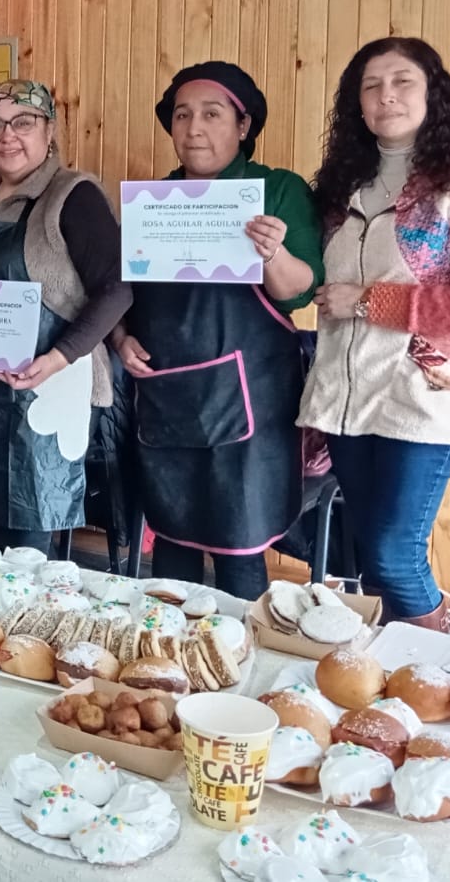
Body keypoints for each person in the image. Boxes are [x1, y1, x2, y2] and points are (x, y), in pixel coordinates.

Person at [299, 38, 450, 631]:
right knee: (370, 557)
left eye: (402, 81)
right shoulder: (346, 181)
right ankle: (393, 684)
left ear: (433, 93)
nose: (385, 95)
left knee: (395, 557)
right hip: (347, 396)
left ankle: (434, 674)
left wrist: (370, 299)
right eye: (371, 85)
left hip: (422, 398)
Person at [112, 62, 322, 599]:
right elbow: (122, 295)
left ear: (243, 125)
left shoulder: (276, 190)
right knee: (174, 540)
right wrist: (121, 339)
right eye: (182, 115)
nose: (194, 128)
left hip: (251, 397)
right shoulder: (153, 202)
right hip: (167, 394)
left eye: (211, 114)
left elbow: (298, 291)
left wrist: (272, 252)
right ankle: (166, 668)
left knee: (239, 544)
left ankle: (244, 674)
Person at [0, 80, 132, 548]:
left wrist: (58, 357)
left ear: (49, 131)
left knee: (29, 549)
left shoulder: (72, 195)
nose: (7, 135)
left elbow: (118, 288)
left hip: (52, 390)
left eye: (23, 122)